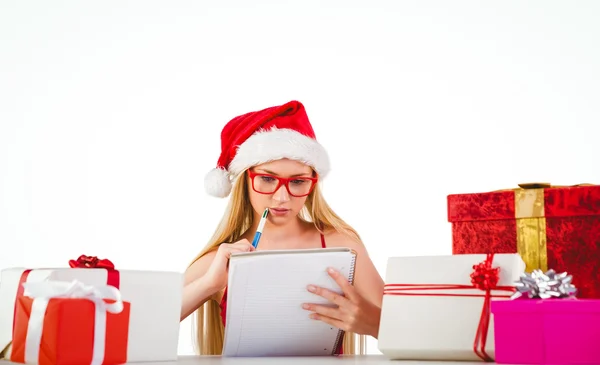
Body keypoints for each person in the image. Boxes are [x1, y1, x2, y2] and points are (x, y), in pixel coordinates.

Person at [180, 100, 384, 356]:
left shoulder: (343, 246)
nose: (282, 198)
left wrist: (374, 323)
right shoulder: (221, 261)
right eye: (267, 179)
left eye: (298, 182)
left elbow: (410, 331)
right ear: (244, 179)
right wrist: (209, 284)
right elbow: (143, 324)